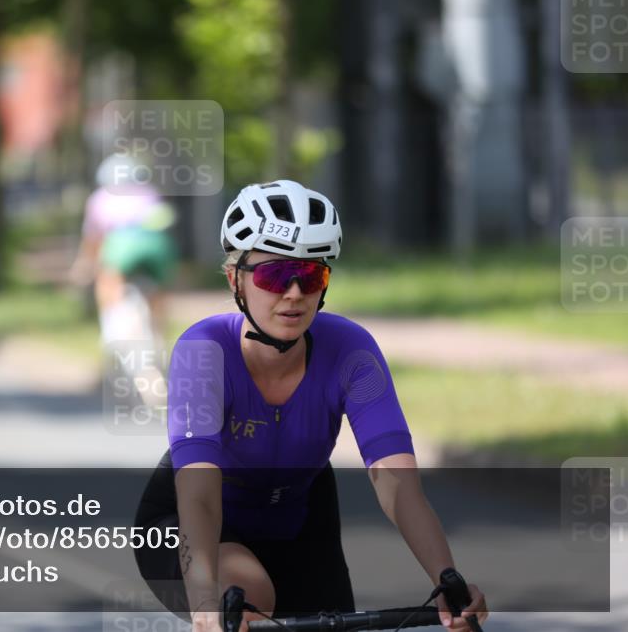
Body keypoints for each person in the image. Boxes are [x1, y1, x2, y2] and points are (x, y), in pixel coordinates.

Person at [133, 180, 488, 631]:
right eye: (274, 276)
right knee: (246, 597)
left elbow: (397, 484)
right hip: (192, 525)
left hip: (300, 521)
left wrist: (448, 580)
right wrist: (204, 600)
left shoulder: (351, 351)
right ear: (234, 279)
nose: (295, 293)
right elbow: (200, 497)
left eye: (311, 276)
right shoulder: (203, 351)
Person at [70, 153, 177, 347]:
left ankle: (111, 331)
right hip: (156, 245)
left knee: (107, 280)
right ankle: (159, 332)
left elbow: (92, 239)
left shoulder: (100, 198)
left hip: (123, 246)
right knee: (158, 290)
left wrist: (86, 265)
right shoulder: (149, 192)